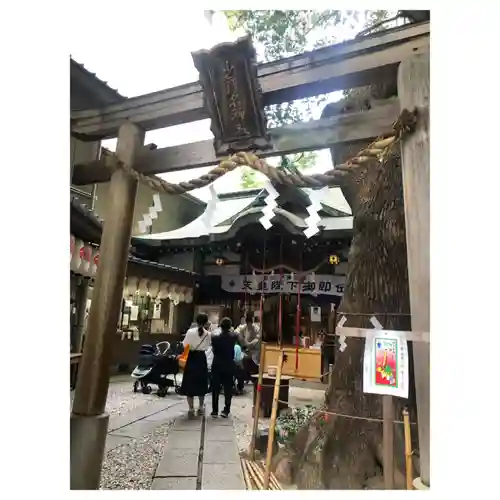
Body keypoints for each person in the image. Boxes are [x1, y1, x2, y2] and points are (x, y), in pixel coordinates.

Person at [179, 312, 211, 417]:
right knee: (201, 383)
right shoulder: (208, 334)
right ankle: (201, 407)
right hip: (201, 358)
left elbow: (184, 345)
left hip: (192, 358)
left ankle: (191, 409)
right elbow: (207, 346)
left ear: (196, 321)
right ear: (206, 322)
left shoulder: (190, 332)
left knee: (190, 383)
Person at [211, 317, 238, 418]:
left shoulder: (214, 338)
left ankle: (214, 410)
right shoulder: (234, 336)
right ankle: (226, 410)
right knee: (228, 388)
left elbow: (213, 350)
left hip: (217, 363)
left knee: (215, 388)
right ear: (230, 326)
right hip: (229, 364)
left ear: (220, 326)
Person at [236, 312, 261, 376]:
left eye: (251, 323)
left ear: (252, 322)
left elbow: (257, 338)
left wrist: (250, 344)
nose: (249, 325)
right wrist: (243, 341)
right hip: (245, 349)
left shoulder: (256, 327)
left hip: (254, 349)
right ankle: (244, 374)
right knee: (241, 358)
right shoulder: (243, 327)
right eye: (248, 324)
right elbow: (236, 332)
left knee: (255, 358)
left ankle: (254, 372)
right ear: (246, 323)